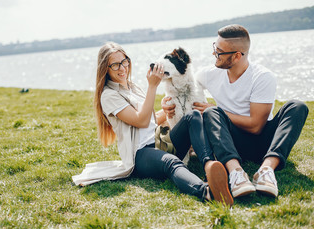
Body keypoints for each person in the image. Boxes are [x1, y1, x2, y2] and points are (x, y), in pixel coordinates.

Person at [72, 42, 234, 206]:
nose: (122, 68)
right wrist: (152, 86)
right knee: (171, 162)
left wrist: (166, 110)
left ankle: (209, 167)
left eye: (124, 61)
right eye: (115, 65)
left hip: (160, 141)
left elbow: (150, 120)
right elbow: (141, 121)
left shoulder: (132, 87)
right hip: (141, 154)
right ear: (105, 69)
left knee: (192, 116)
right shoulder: (109, 95)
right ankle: (207, 191)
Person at [162, 24, 309, 199]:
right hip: (231, 143)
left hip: (265, 142)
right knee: (211, 113)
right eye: (214, 48)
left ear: (237, 56)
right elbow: (184, 88)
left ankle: (266, 170)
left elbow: (256, 126)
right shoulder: (208, 74)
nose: (214, 54)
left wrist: (218, 110)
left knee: (297, 106)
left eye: (219, 52)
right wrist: (166, 106)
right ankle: (236, 173)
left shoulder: (262, 76)